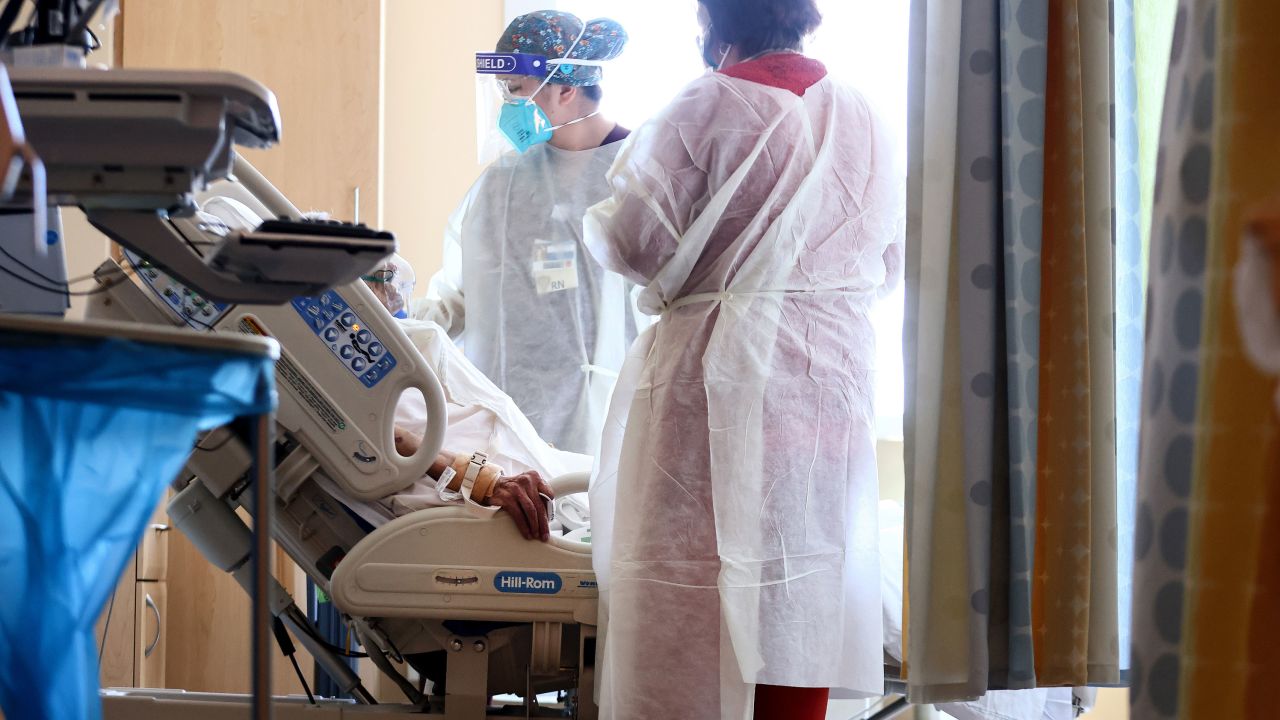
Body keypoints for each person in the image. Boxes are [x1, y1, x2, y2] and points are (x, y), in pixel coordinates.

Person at [582, 1, 904, 718]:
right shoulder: (865, 116)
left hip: (717, 387)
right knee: (800, 593)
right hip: (828, 389)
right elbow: (887, 261)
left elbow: (633, 243)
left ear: (713, 24)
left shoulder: (707, 104)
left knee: (688, 598)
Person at [416, 11, 637, 456]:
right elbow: (459, 297)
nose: (507, 106)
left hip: (612, 415)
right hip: (509, 411)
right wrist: (401, 324)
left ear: (566, 88)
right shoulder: (505, 182)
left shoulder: (637, 174)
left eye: (515, 90)